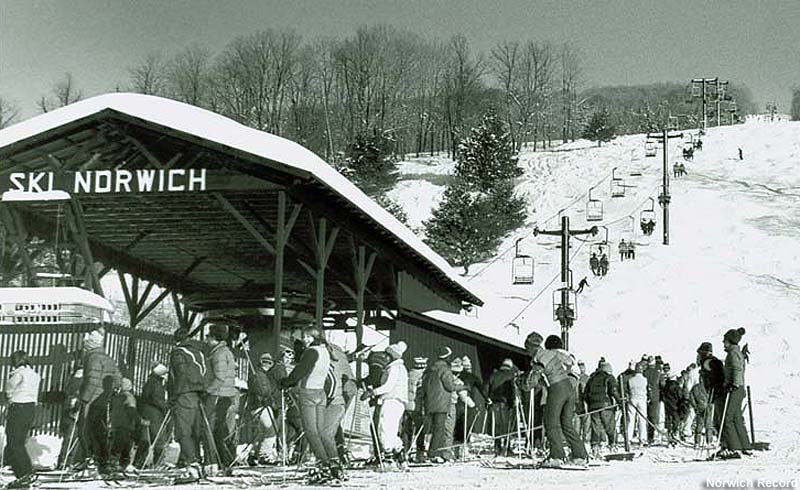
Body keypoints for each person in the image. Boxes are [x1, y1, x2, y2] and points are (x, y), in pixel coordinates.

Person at [525, 332, 588, 468]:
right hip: (569, 387)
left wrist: (522, 383)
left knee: (551, 423)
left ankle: (557, 456)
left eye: (527, 348)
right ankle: (580, 455)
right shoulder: (552, 353)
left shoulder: (538, 358)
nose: (527, 351)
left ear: (531, 347)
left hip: (556, 388)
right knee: (566, 423)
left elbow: (533, 380)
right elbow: (569, 362)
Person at [279, 327, 334, 480]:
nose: (304, 340)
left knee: (310, 431)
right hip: (320, 392)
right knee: (320, 430)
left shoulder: (311, 351)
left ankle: (323, 463)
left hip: (308, 392)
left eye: (306, 337)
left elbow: (301, 370)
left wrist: (286, 382)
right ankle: (333, 462)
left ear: (311, 338)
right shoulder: (325, 351)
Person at [168, 327, 208, 483]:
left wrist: (173, 396)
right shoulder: (199, 353)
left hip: (184, 395)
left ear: (176, 340)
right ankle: (197, 462)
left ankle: (191, 466)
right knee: (195, 431)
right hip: (199, 395)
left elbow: (180, 375)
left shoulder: (178, 352)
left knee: (183, 431)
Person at [80, 328, 122, 476]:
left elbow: (92, 379)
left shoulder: (92, 358)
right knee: (99, 430)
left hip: (91, 399)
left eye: (85, 342)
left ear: (90, 344)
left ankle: (90, 459)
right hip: (103, 400)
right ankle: (104, 460)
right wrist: (111, 391)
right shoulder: (107, 358)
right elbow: (118, 378)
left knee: (86, 430)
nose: (84, 344)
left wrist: (84, 398)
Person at [4, 351, 41, 489]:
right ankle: (26, 472)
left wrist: (9, 399)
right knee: (20, 442)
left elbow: (9, 389)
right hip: (30, 408)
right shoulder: (34, 374)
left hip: (18, 407)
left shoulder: (18, 373)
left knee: (14, 442)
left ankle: (24, 473)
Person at [203, 324, 238, 470]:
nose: (206, 339)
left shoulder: (219, 354)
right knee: (220, 430)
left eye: (208, 336)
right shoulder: (224, 352)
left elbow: (220, 377)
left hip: (218, 395)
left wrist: (207, 391)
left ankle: (213, 461)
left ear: (214, 338)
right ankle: (224, 460)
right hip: (226, 395)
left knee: (209, 428)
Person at [371, 342, 409, 467]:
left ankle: (388, 458)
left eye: (387, 355)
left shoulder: (394, 368)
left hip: (391, 400)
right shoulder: (400, 368)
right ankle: (400, 454)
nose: (384, 357)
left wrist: (373, 392)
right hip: (398, 401)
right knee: (391, 430)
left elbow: (388, 386)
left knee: (384, 429)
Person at [421, 346, 460, 462]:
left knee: (430, 428)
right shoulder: (445, 369)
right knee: (439, 429)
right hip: (441, 403)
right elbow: (450, 386)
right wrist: (463, 387)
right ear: (447, 357)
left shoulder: (430, 369)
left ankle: (423, 452)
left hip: (429, 402)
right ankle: (434, 453)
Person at [718, 327, 752, 458]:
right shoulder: (736, 352)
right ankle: (745, 446)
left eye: (725, 340)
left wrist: (734, 384)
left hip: (735, 389)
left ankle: (734, 447)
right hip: (739, 388)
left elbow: (737, 369)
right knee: (737, 418)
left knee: (728, 418)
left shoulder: (732, 354)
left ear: (730, 341)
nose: (723, 343)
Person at [247, 352, 281, 465]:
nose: (267, 365)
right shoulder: (258, 374)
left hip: (259, 405)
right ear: (260, 362)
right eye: (264, 362)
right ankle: (264, 455)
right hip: (261, 405)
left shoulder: (263, 375)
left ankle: (253, 454)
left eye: (269, 363)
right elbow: (262, 391)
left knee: (262, 432)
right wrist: (268, 400)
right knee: (271, 430)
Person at [134, 362, 169, 469]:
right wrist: (167, 407)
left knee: (145, 439)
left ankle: (138, 463)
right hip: (155, 414)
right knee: (159, 439)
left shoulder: (150, 382)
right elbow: (156, 399)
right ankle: (158, 463)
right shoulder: (156, 384)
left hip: (147, 413)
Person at [584, 360, 619, 455]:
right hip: (606, 406)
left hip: (593, 407)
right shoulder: (609, 378)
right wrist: (620, 401)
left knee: (596, 427)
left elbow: (585, 394)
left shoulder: (592, 378)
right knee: (609, 426)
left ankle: (595, 446)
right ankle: (612, 444)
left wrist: (590, 403)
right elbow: (613, 391)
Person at [57, 364, 86, 469]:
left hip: (68, 406)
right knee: (73, 435)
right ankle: (68, 461)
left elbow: (67, 392)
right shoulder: (82, 380)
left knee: (68, 436)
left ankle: (63, 460)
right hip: (75, 408)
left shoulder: (71, 378)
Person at [487, 358, 516, 456]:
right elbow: (512, 389)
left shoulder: (494, 375)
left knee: (497, 425)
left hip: (495, 402)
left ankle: (497, 446)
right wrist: (512, 402)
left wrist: (488, 399)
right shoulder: (510, 375)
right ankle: (507, 447)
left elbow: (488, 387)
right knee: (507, 425)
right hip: (505, 402)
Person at [110, 377, 138, 472]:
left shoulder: (116, 397)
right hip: (126, 425)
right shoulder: (129, 397)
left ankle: (115, 464)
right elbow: (131, 410)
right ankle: (123, 465)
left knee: (117, 445)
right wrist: (140, 421)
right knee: (126, 446)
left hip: (116, 425)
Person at [402, 357, 427, 462]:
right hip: (416, 406)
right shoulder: (421, 377)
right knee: (420, 430)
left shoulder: (408, 374)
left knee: (406, 430)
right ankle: (420, 454)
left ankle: (404, 451)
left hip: (406, 405)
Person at [627, 364, 649, 446]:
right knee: (642, 419)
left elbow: (628, 389)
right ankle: (642, 439)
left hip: (632, 399)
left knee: (631, 419)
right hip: (642, 400)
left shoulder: (630, 380)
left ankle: (628, 438)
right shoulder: (645, 380)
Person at [643, 356, 663, 444]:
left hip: (646, 396)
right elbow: (662, 383)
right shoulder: (658, 372)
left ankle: (649, 436)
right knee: (655, 416)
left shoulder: (645, 372)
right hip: (656, 396)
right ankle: (654, 435)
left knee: (647, 416)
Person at [661, 366, 683, 444]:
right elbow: (680, 396)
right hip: (676, 406)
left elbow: (663, 395)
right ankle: (675, 435)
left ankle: (669, 435)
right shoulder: (676, 386)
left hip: (667, 405)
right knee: (676, 421)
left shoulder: (665, 386)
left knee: (669, 421)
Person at [690, 379, 712, 447]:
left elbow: (691, 398)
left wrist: (695, 406)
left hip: (701, 407)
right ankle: (708, 442)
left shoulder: (695, 387)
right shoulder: (709, 386)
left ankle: (698, 442)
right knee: (707, 425)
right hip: (706, 407)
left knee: (700, 425)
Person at [575, 361, 591, 440]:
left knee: (586, 424)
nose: (581, 368)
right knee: (577, 425)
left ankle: (585, 439)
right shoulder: (575, 378)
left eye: (582, 366)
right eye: (580, 366)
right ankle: (578, 440)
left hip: (585, 404)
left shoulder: (587, 378)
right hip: (577, 404)